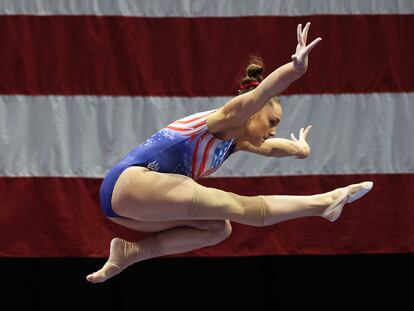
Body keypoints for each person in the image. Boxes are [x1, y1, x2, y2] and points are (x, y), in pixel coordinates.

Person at [86, 22, 373, 283]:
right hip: (129, 182)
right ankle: (323, 202)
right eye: (272, 122)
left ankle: (131, 252)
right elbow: (262, 94)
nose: (273, 130)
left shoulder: (237, 141)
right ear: (251, 113)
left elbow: (275, 148)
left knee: (218, 229)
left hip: (124, 207)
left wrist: (300, 149)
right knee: (233, 204)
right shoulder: (223, 120)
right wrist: (295, 70)